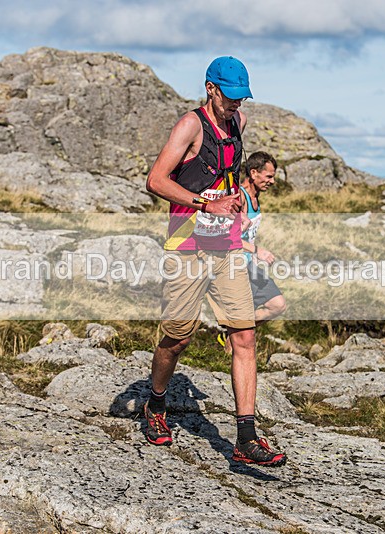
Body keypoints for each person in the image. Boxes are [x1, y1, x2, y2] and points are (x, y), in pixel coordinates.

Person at [143, 56, 286, 467]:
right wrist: (206, 202)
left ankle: (246, 437)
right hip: (186, 246)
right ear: (211, 88)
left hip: (226, 247)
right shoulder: (190, 125)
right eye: (231, 97)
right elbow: (156, 180)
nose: (237, 105)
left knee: (244, 336)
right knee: (178, 339)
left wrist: (237, 200)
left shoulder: (238, 123)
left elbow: (228, 174)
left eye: (243, 97)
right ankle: (155, 404)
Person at [217, 151, 287, 354]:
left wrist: (254, 256)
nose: (272, 181)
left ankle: (231, 330)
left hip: (249, 264)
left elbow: (248, 235)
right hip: (234, 265)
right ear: (254, 173)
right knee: (244, 327)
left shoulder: (256, 198)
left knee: (278, 305)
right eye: (269, 176)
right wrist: (258, 251)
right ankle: (230, 349)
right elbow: (229, 237)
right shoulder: (240, 197)